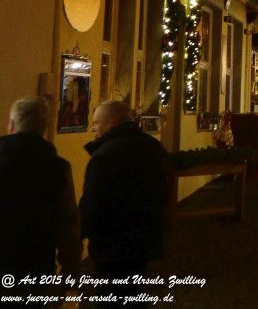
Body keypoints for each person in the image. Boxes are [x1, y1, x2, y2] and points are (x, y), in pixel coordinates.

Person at [80, 100, 169, 279]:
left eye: (96, 123)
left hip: (111, 243)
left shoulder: (105, 155)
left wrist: (80, 233)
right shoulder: (154, 147)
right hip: (144, 238)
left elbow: (93, 203)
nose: (93, 129)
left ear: (111, 122)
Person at [0, 96, 81, 282]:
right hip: (35, 270)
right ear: (44, 128)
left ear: (11, 124)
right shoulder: (58, 168)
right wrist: (71, 277)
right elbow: (68, 228)